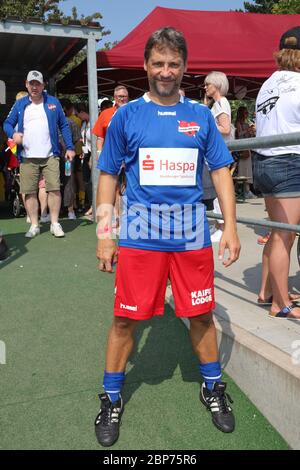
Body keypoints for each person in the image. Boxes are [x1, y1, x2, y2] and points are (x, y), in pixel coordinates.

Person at [94, 27, 240, 447]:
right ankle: (112, 395)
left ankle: (211, 387)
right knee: (125, 319)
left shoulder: (199, 115)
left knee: (200, 315)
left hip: (191, 234)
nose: (165, 71)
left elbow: (220, 172)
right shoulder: (126, 116)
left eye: (173, 64)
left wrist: (230, 226)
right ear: (145, 66)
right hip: (140, 236)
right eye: (158, 63)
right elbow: (108, 175)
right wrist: (106, 233)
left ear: (185, 68)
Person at [253, 26, 300, 318]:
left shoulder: (268, 83)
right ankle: (281, 304)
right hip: (289, 162)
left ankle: (266, 291)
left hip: (264, 162)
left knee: (276, 233)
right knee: (286, 236)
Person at [4, 71, 75, 238]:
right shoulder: (20, 104)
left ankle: (55, 223)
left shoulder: (53, 102)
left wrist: (70, 147)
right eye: (31, 83)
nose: (34, 87)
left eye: (37, 84)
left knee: (54, 189)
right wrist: (13, 135)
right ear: (26, 84)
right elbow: (7, 123)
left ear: (43, 85)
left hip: (51, 154)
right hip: (27, 156)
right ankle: (35, 225)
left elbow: (64, 125)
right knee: (29, 192)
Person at [203, 71, 232, 243]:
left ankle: (223, 227)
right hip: (215, 152)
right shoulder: (217, 104)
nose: (205, 87)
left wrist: (207, 126)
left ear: (217, 85)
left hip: (219, 153)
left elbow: (226, 129)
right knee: (216, 191)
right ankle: (219, 225)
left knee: (220, 191)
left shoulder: (222, 102)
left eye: (208, 84)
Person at [235, 106, 256, 199]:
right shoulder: (238, 123)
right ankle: (245, 190)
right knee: (243, 169)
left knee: (247, 169)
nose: (247, 114)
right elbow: (239, 134)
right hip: (241, 148)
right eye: (245, 113)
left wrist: (251, 132)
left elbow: (247, 136)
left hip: (247, 147)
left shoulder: (247, 123)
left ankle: (246, 190)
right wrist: (247, 130)